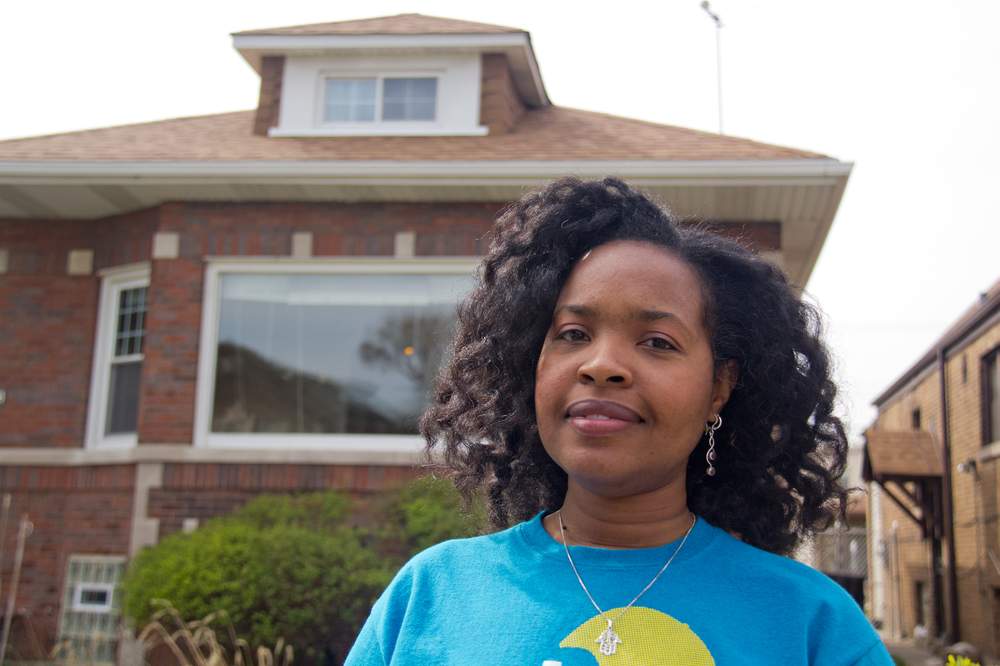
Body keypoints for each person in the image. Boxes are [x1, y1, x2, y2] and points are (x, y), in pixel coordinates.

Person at [345, 177, 892, 665]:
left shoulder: (810, 625)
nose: (602, 365)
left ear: (717, 389)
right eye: (573, 334)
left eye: (657, 342)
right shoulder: (430, 594)